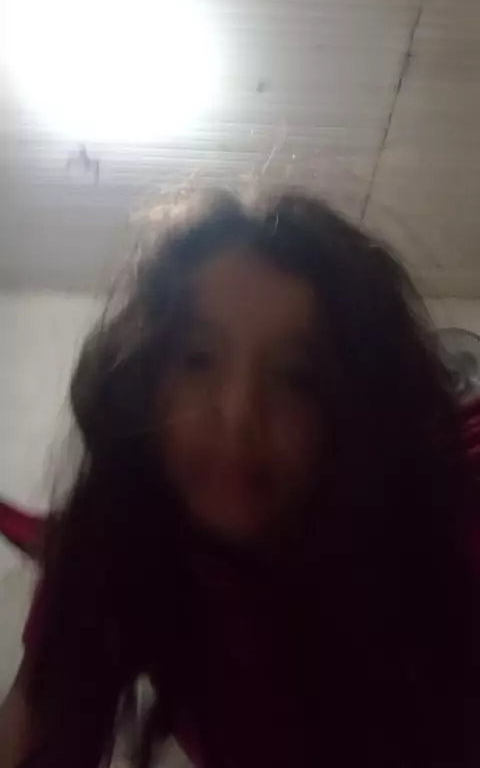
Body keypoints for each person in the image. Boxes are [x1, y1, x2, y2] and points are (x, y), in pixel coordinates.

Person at [1, 188, 480, 768]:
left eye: (297, 377)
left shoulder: (445, 532)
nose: (237, 415)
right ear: (143, 379)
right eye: (198, 360)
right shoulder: (111, 546)